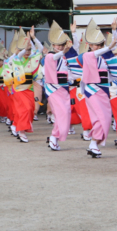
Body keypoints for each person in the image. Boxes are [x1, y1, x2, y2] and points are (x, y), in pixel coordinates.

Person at [76, 20, 117, 158]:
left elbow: (115, 64)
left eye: (99, 44)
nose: (96, 47)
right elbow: (96, 54)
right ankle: (93, 143)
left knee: (105, 119)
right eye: (94, 44)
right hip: (92, 90)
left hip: (104, 90)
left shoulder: (105, 57)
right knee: (100, 118)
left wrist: (113, 33)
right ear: (89, 45)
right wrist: (108, 47)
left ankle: (94, 144)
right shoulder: (85, 56)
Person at [43, 22, 74, 151]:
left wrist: (74, 33)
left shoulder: (64, 58)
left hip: (64, 89)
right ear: (53, 45)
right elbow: (54, 57)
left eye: (62, 45)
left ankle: (54, 137)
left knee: (65, 113)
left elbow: (69, 72)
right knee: (61, 114)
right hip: (53, 90)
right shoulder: (50, 56)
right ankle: (54, 137)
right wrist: (63, 52)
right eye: (57, 45)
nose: (60, 47)